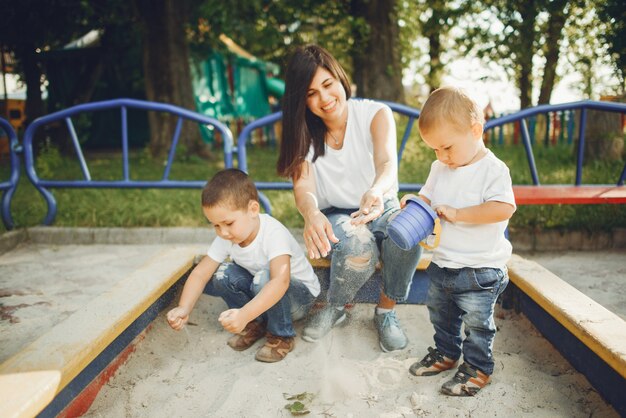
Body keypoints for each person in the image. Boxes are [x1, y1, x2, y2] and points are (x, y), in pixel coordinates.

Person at [276, 44, 422, 352]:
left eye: (327, 85)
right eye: (311, 93)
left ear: (341, 80)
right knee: (357, 245)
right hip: (336, 213)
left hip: (380, 202)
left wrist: (376, 190)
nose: (324, 99)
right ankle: (337, 306)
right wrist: (311, 214)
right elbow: (304, 188)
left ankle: (385, 312)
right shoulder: (302, 131)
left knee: (404, 233)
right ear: (301, 100)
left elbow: (386, 163)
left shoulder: (374, 114)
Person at [403, 86, 516, 395]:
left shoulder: (493, 170)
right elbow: (427, 196)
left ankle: (478, 368)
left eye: (448, 148)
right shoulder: (439, 167)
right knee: (442, 315)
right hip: (443, 264)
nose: (442, 156)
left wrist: (460, 213)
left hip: (481, 269)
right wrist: (414, 202)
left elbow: (503, 208)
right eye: (435, 150)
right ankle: (447, 353)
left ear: (475, 130)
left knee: (478, 324)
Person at [166, 168, 320, 363]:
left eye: (228, 223)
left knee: (266, 279)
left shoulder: (273, 233)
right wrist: (184, 308)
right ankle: (254, 324)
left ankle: (282, 336)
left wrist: (244, 312)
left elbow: (280, 281)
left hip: (298, 299)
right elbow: (200, 274)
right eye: (215, 225)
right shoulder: (227, 236)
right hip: (263, 292)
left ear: (253, 210)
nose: (222, 232)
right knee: (222, 274)